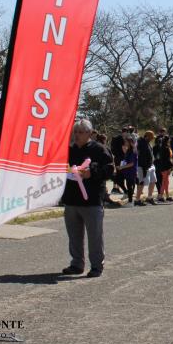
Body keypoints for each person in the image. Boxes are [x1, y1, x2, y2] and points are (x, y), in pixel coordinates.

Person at [61, 119, 111, 278]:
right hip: (71, 199)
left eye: (80, 132)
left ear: (89, 133)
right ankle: (77, 264)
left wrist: (92, 173)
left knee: (95, 236)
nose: (77, 135)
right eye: (75, 132)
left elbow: (110, 170)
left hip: (92, 200)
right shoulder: (69, 150)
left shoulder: (99, 149)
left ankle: (96, 266)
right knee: (74, 236)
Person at [136, 130, 157, 205]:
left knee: (153, 181)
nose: (152, 139)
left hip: (150, 165)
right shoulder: (141, 143)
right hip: (143, 166)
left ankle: (149, 197)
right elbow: (141, 157)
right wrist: (145, 168)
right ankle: (137, 199)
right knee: (141, 182)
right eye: (151, 137)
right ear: (147, 137)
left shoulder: (148, 143)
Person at [153, 134, 173, 203]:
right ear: (167, 141)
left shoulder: (163, 147)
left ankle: (167, 196)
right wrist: (172, 165)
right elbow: (167, 159)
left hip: (164, 166)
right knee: (164, 182)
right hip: (165, 166)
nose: (170, 141)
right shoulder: (165, 148)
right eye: (169, 140)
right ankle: (161, 196)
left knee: (166, 182)